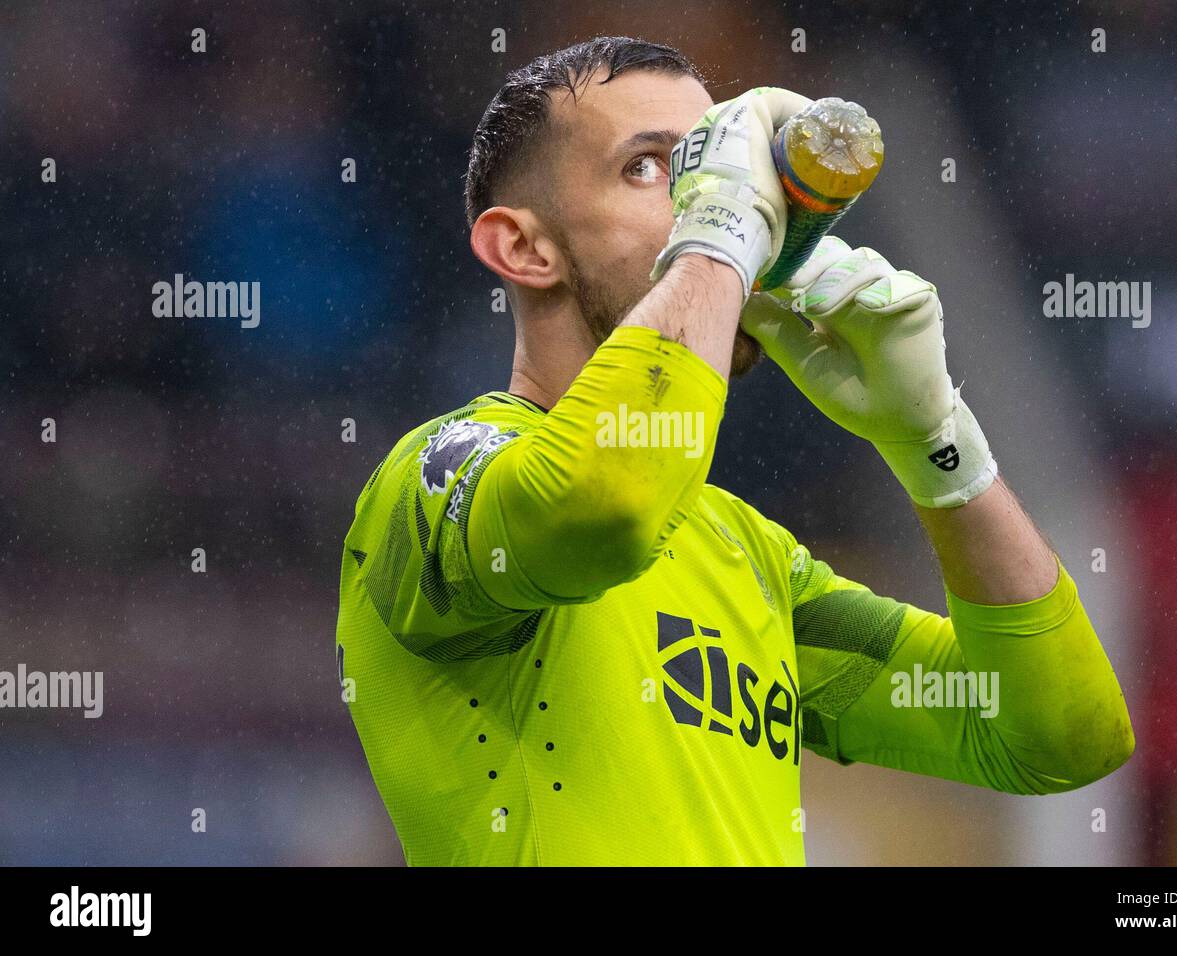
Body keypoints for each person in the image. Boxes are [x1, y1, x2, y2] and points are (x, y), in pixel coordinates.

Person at [334, 35, 1135, 866]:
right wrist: (716, 236)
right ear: (523, 248)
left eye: (716, 167)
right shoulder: (439, 472)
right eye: (651, 168)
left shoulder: (750, 558)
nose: (718, 199)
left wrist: (935, 439)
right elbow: (605, 505)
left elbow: (1060, 736)